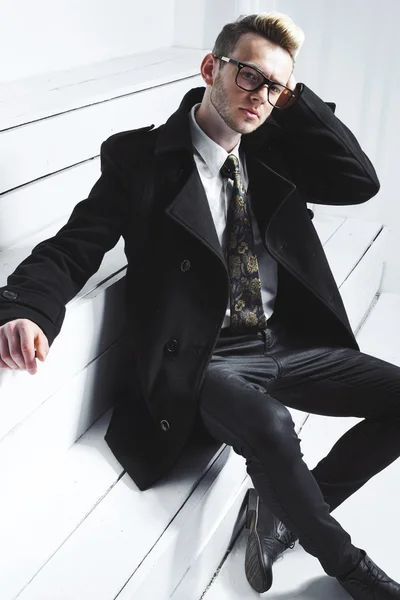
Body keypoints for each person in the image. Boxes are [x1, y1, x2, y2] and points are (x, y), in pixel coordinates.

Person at [0, 11, 399, 598]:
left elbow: (359, 181)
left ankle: (278, 511)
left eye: (276, 88)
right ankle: (349, 568)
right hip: (203, 359)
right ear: (211, 67)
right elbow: (73, 246)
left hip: (280, 341)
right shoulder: (140, 160)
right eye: (249, 77)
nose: (261, 97)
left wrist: (296, 97)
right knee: (269, 423)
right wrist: (28, 308)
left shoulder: (271, 154)